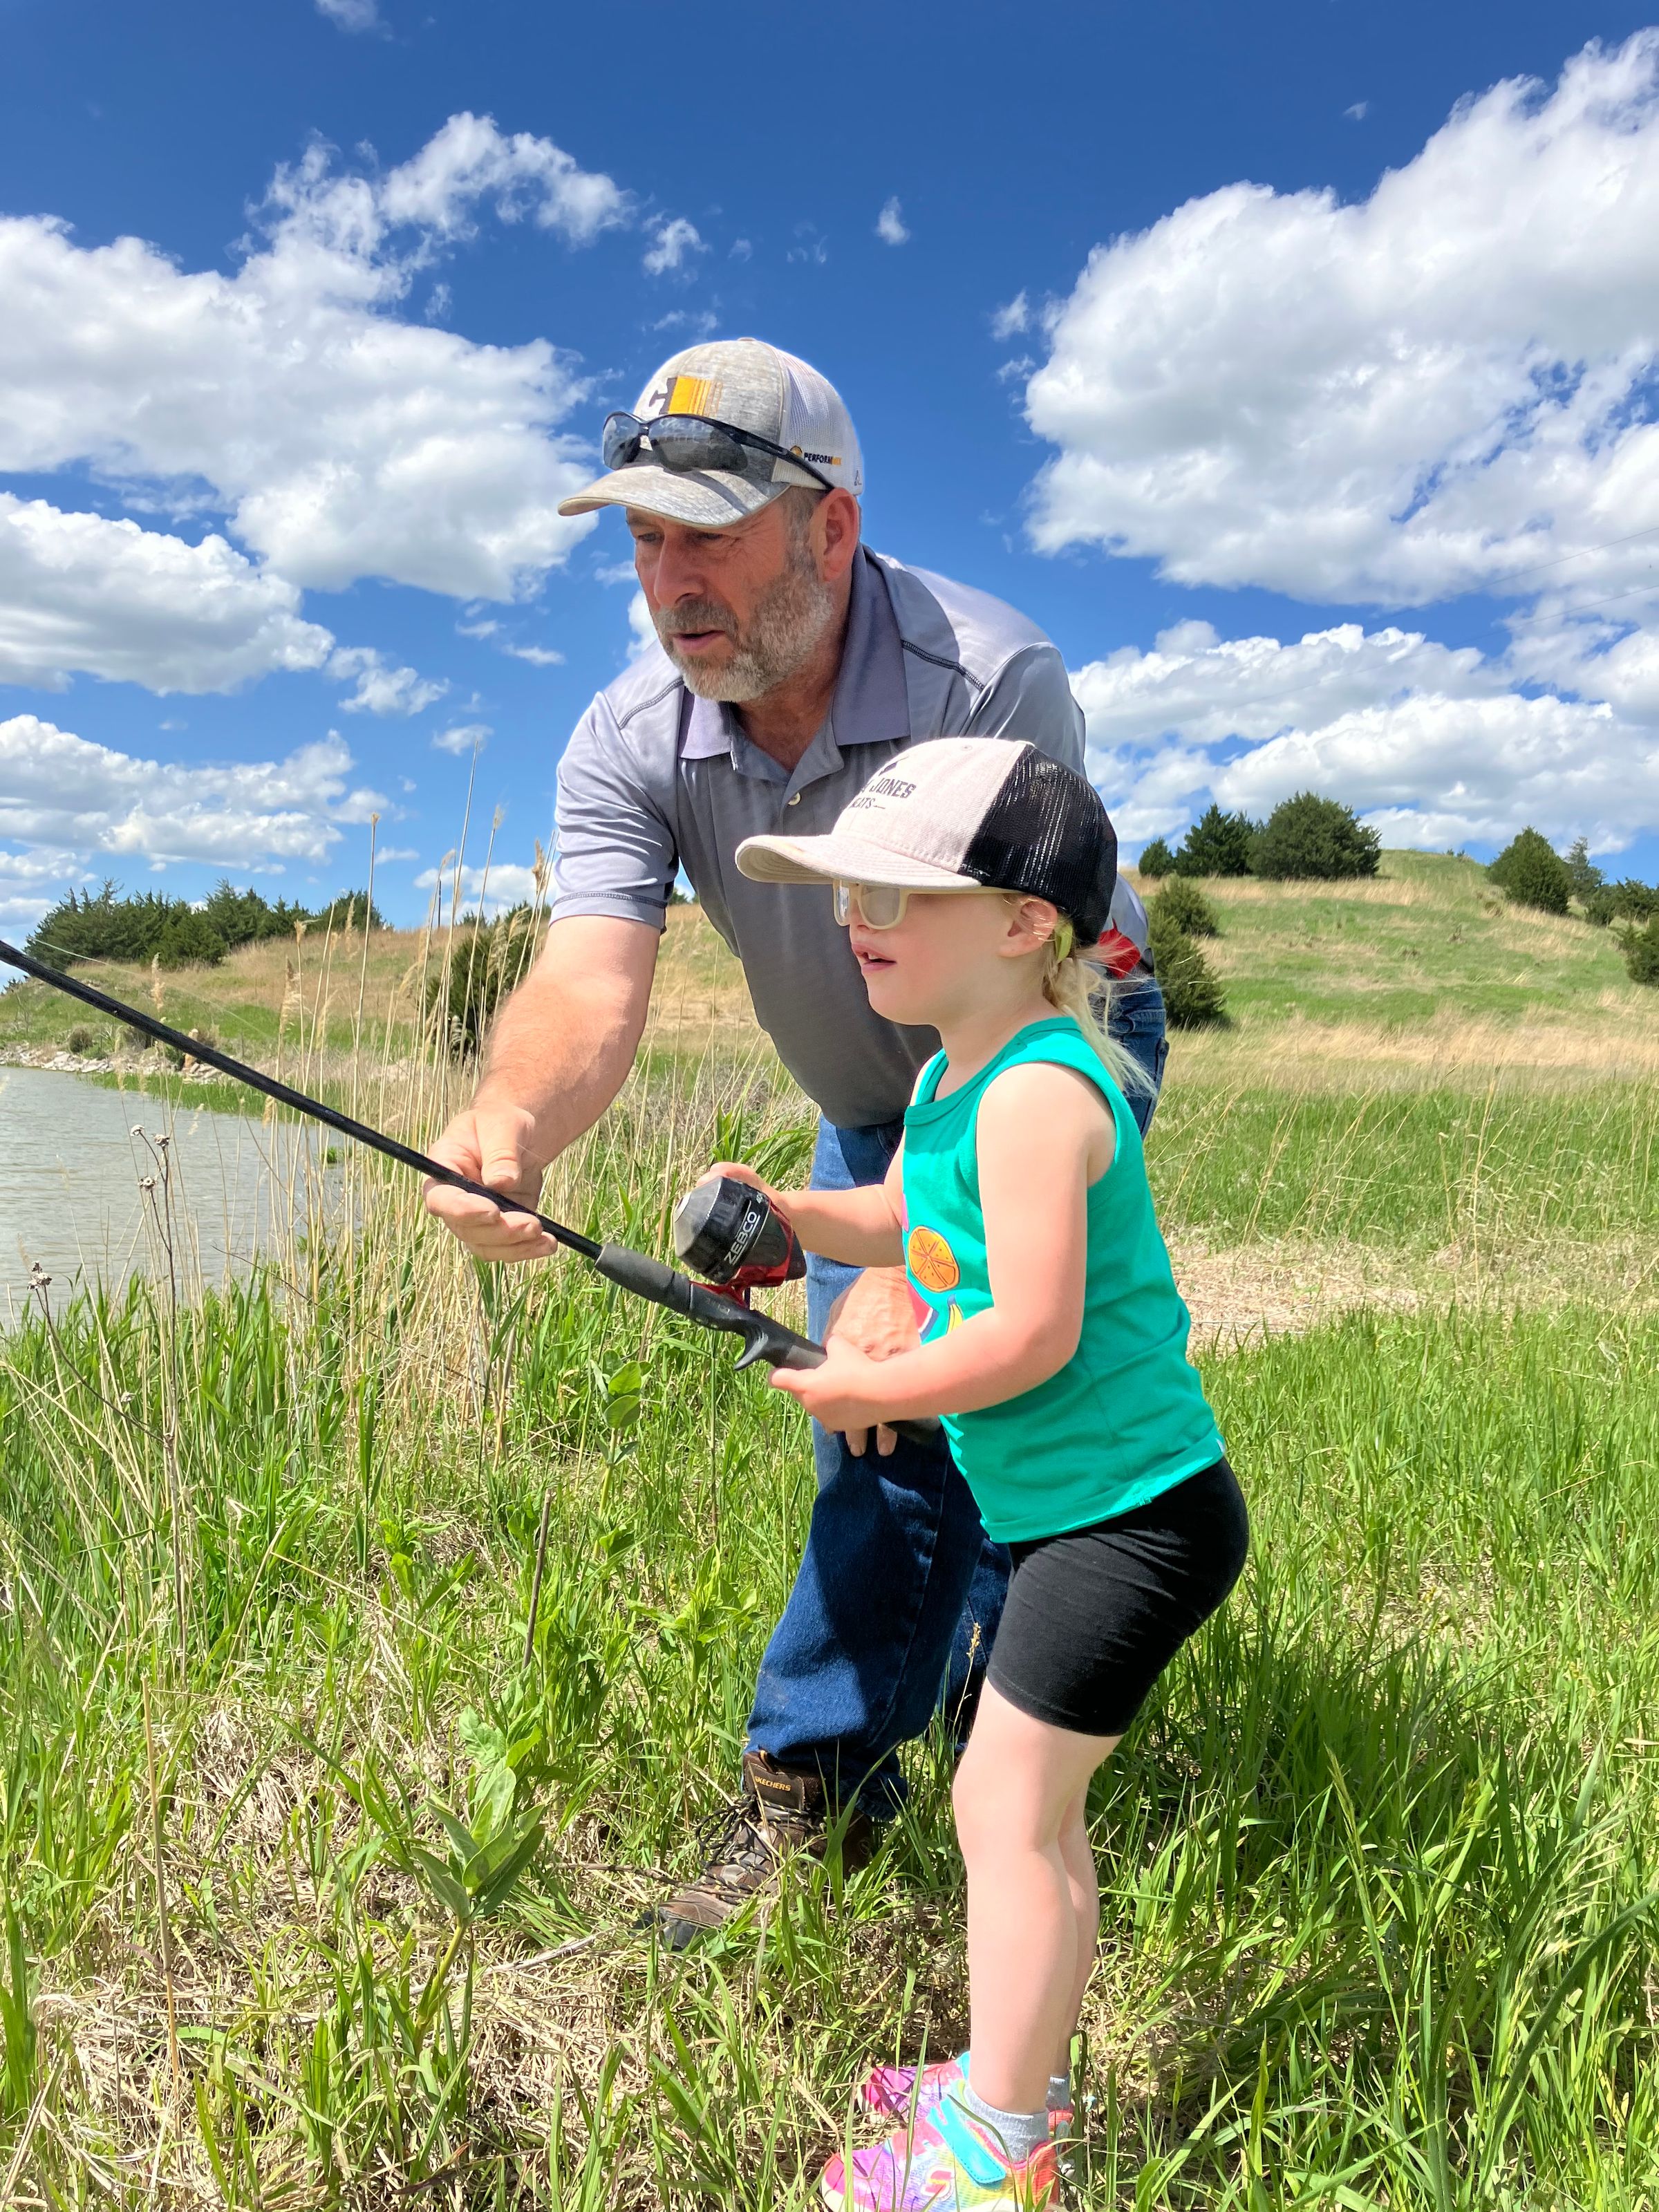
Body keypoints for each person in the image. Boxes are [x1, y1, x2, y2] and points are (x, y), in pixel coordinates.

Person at [422, 336, 1168, 1944]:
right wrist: (513, 1123)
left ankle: (878, 1757)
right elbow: (588, 980)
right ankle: (892, 1751)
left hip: (1042, 1032)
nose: (666, 577)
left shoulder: (993, 676)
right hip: (862, 1091)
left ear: (830, 528)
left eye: (706, 531)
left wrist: (928, 1241)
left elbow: (1036, 978)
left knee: (954, 1387)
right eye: (640, 536)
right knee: (888, 1420)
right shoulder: (632, 735)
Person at [708, 738, 1248, 2211]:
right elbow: (905, 1215)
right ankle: (1017, 2081)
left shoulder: (1039, 1097)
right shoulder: (962, 1071)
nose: (854, 917)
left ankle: (993, 2153)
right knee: (1033, 1816)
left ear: (1026, 924)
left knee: (998, 1810)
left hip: (1127, 1525)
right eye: (848, 890)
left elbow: (1026, 1330)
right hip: (1090, 1516)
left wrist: (866, 1381)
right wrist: (793, 1213)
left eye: (899, 891)